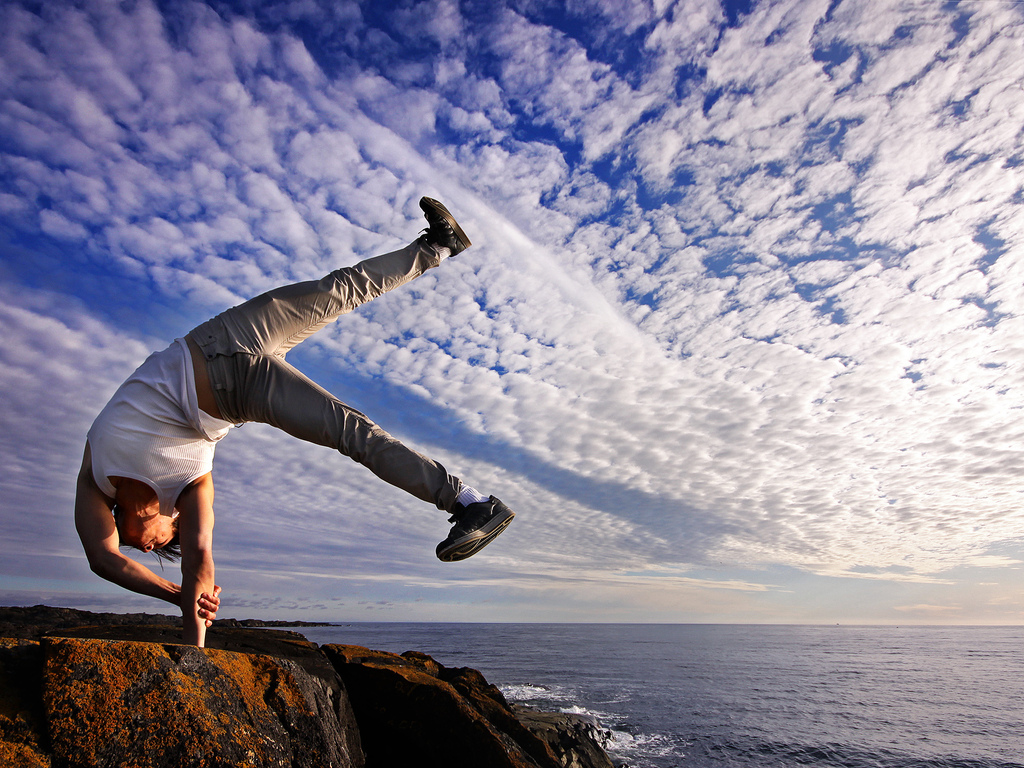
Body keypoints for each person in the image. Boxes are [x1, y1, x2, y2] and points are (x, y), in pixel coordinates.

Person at [74, 197, 515, 647]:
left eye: (149, 546)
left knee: (340, 288)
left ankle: (438, 247)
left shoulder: (96, 474)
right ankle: (470, 503)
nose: (147, 549)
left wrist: (180, 591)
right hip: (243, 389)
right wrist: (184, 604)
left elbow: (103, 558)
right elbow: (194, 560)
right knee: (352, 430)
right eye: (164, 546)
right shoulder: (193, 487)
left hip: (218, 335)